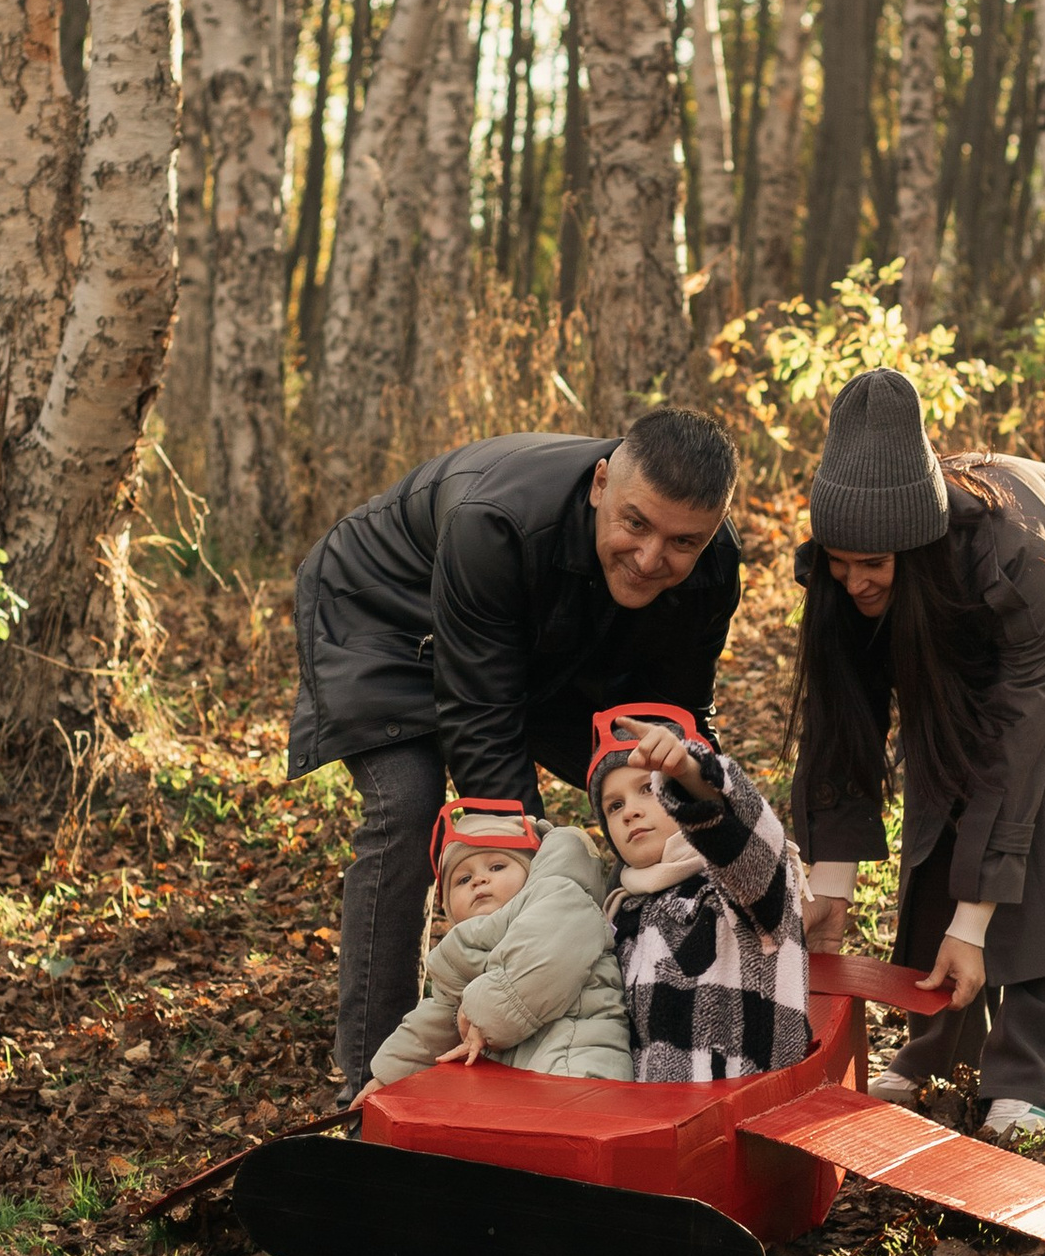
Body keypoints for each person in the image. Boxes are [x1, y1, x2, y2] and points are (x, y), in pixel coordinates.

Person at [788, 369, 1045, 1144]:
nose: (854, 580)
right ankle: (938, 1046)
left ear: (918, 539)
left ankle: (1030, 1077)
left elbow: (1018, 746)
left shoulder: (1016, 553)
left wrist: (972, 923)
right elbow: (842, 727)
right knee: (941, 800)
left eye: (872, 563)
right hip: (998, 640)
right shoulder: (852, 576)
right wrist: (829, 886)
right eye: (839, 561)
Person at [289, 409, 742, 1096]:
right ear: (599, 484)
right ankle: (375, 1084)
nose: (653, 558)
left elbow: (674, 732)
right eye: (636, 524)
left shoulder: (711, 567)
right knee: (412, 806)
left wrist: (728, 841)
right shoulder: (494, 523)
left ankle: (637, 1026)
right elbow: (484, 734)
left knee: (648, 790)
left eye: (683, 541)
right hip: (384, 615)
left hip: (535, 643)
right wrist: (540, 915)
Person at [586, 706, 814, 1089]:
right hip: (655, 1127)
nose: (630, 812)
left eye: (647, 788)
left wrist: (688, 773)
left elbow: (749, 841)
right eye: (614, 805)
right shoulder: (621, 913)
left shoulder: (739, 886)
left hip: (748, 1113)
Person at [364, 800, 631, 1088]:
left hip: (579, 1067)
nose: (479, 880)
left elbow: (539, 968)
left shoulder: (561, 898)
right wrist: (387, 1080)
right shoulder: (460, 952)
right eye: (463, 879)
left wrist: (483, 1018)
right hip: (526, 1083)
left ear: (531, 873)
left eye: (497, 866)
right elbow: (433, 1025)